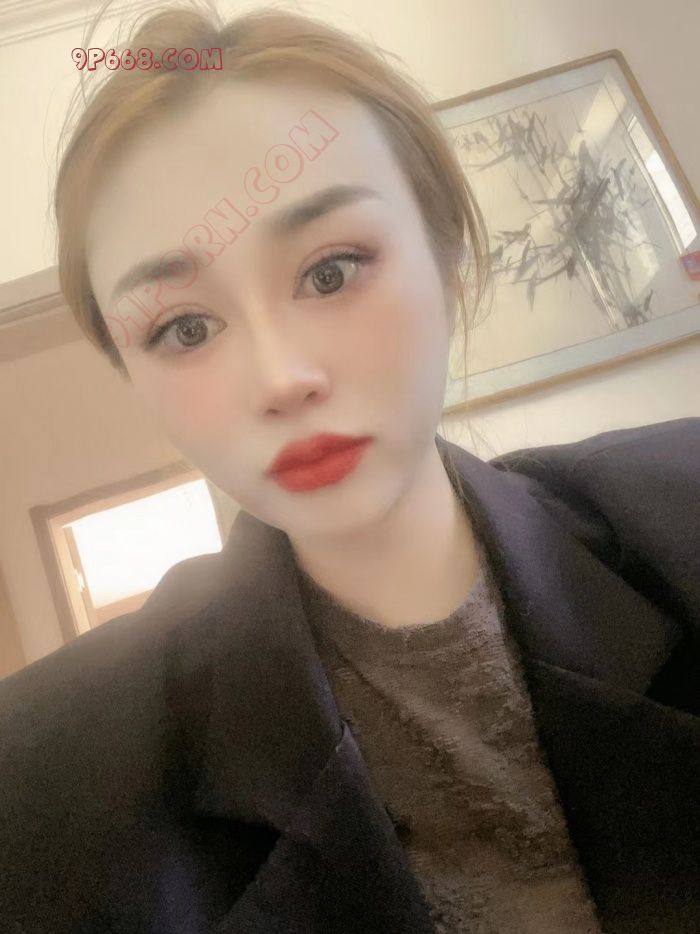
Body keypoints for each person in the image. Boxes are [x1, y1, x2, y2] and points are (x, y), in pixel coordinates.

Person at [1, 3, 698, 933]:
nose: (281, 378)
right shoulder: (43, 783)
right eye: (185, 328)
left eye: (331, 271)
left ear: (447, 253)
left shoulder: (682, 515)